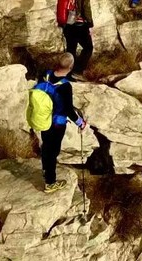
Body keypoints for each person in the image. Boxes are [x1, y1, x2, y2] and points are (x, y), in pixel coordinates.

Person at [37, 52, 87, 193]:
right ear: (70, 67)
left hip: (43, 117)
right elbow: (68, 110)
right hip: (57, 123)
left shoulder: (44, 74)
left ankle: (46, 170)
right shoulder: (65, 86)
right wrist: (80, 123)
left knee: (46, 147)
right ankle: (50, 182)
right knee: (53, 151)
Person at [58, 0, 94, 77]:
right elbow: (86, 8)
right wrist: (90, 24)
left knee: (71, 49)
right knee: (88, 47)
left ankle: (67, 73)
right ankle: (77, 71)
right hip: (79, 24)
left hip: (67, 24)